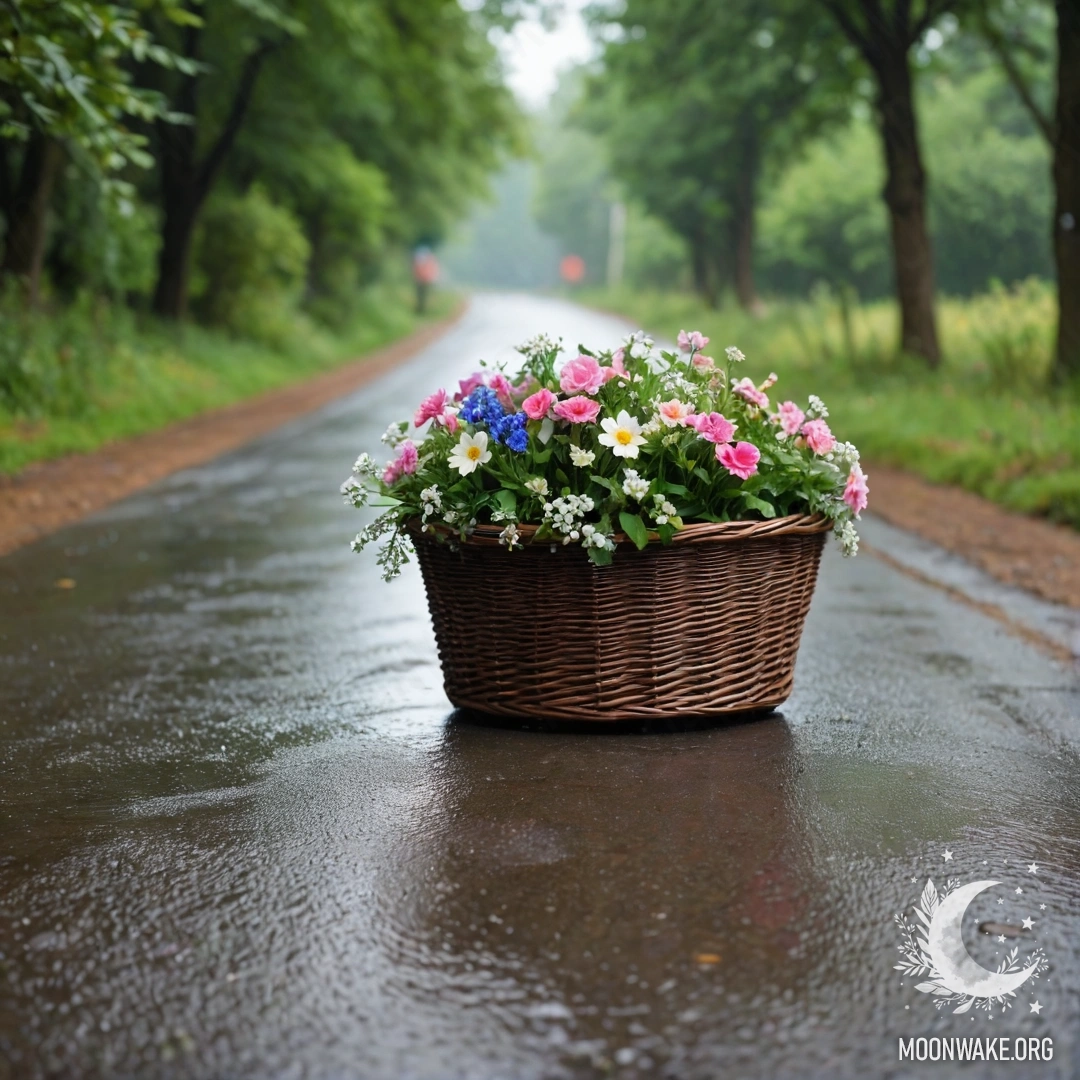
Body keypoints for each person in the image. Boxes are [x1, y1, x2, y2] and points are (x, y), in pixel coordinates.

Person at [412, 247, 439, 314]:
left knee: (422, 295)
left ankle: (421, 308)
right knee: (421, 295)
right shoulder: (423, 260)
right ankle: (420, 308)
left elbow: (431, 270)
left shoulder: (427, 260)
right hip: (421, 280)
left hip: (424, 280)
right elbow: (416, 270)